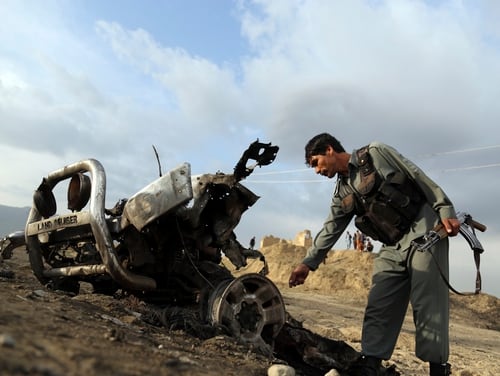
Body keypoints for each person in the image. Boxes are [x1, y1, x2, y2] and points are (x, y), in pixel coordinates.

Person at [288, 133, 460, 376]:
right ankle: (371, 360)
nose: (316, 171)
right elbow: (331, 228)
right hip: (391, 246)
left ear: (329, 150)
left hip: (424, 230)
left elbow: (416, 175)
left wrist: (444, 207)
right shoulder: (341, 193)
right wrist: (308, 263)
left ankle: (438, 367)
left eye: (315, 162)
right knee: (380, 301)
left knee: (428, 302)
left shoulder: (375, 153)